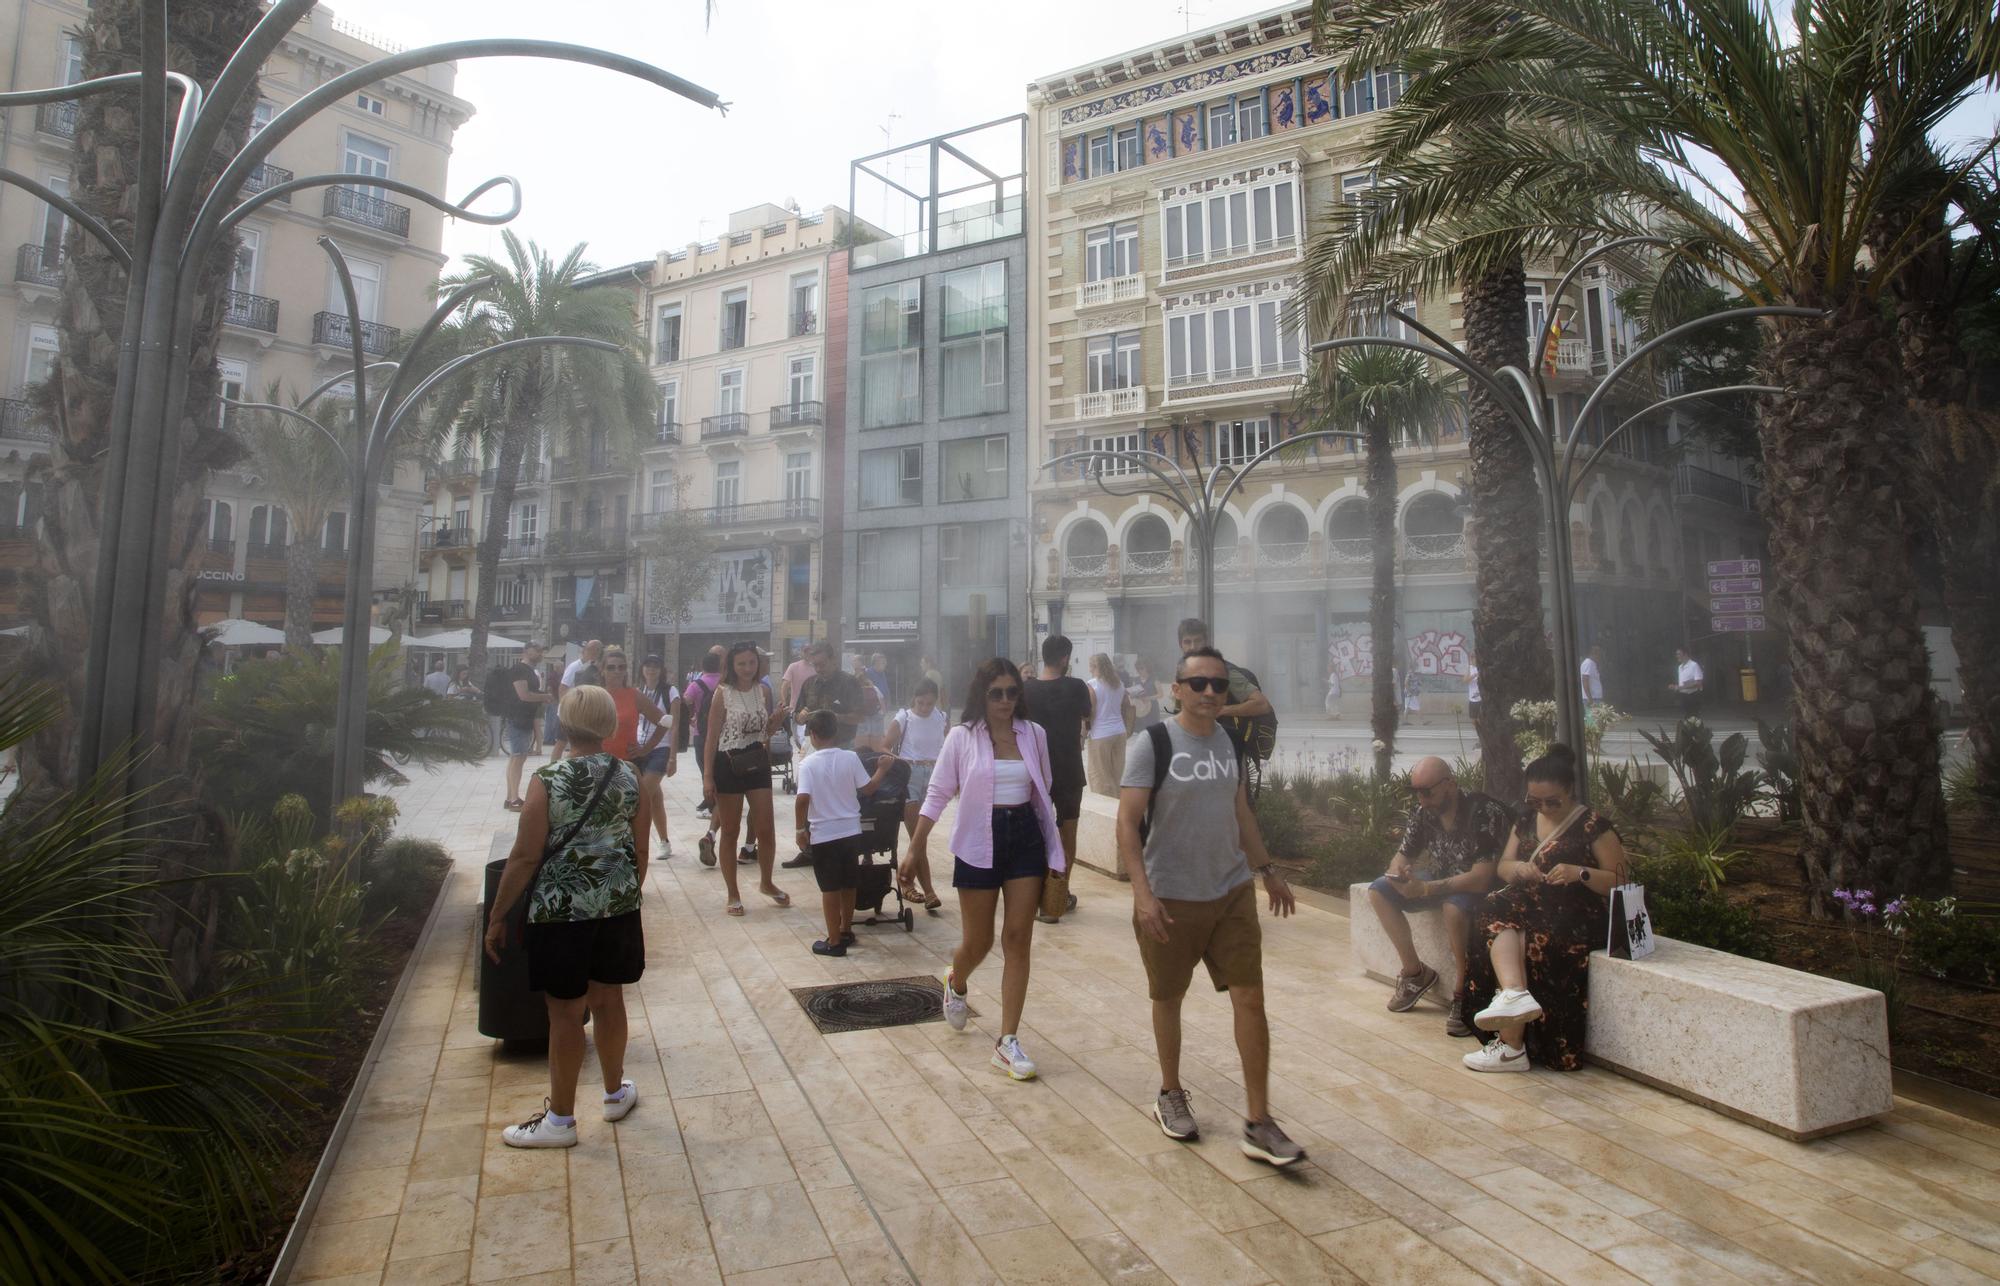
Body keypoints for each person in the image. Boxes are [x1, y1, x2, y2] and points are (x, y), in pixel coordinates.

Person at [1121, 647, 1305, 1167]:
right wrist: (1141, 893)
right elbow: (1128, 823)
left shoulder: (1229, 741)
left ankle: (1259, 1121)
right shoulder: (1151, 743)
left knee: (1250, 999)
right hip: (1171, 895)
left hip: (1230, 892)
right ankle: (1171, 1092)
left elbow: (1240, 810)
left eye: (1218, 686)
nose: (1208, 693)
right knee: (1169, 998)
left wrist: (1267, 871)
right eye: (1197, 684)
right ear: (1175, 689)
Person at [483, 684, 652, 1147]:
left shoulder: (548, 780)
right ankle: (616, 1093)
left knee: (564, 1014)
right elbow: (641, 849)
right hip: (616, 908)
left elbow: (523, 857)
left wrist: (497, 916)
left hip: (560, 913)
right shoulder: (630, 775)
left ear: (565, 722)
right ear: (607, 723)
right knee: (609, 1000)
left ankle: (560, 1121)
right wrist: (619, 894)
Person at [907, 659, 1065, 1081]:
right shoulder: (962, 737)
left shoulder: (1034, 735)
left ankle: (1007, 1040)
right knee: (978, 941)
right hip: (979, 839)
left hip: (1025, 839)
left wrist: (1055, 851)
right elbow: (938, 792)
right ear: (982, 695)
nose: (1005, 700)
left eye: (1012, 692)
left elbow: (1042, 792)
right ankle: (956, 979)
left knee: (1018, 938)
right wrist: (914, 848)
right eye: (996, 693)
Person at [1461, 744, 1629, 1073]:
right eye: (1536, 801)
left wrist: (1579, 873)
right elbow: (1504, 867)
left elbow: (1620, 881)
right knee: (1495, 909)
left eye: (1553, 802)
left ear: (1569, 791)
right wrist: (1519, 869)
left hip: (1577, 913)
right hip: (1531, 904)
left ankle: (1511, 1046)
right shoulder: (1525, 820)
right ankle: (1513, 996)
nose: (1544, 808)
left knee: (1528, 938)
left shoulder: (1593, 826)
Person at [1365, 756, 1512, 1036]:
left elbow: (1482, 877)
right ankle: (1415, 972)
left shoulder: (1482, 812)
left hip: (1484, 887)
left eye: (1427, 791)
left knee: (1453, 907)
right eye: (1416, 792)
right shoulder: (1424, 812)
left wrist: (1426, 889)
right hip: (1444, 878)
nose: (1422, 799)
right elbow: (1403, 854)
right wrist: (1398, 873)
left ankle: (1463, 989)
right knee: (1380, 890)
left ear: (1450, 785)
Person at [795, 710, 897, 956]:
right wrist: (882, 769)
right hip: (851, 832)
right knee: (849, 883)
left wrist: (800, 829)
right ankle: (845, 929)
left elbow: (802, 800)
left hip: (824, 835)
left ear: (813, 735)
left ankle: (833, 941)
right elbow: (869, 788)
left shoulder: (808, 764)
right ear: (836, 733)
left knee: (829, 888)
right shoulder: (850, 758)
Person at [702, 641, 793, 916]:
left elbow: (763, 732)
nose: (747, 668)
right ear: (731, 665)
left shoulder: (762, 690)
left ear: (758, 664)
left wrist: (776, 721)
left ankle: (766, 882)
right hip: (728, 762)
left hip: (757, 759)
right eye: (741, 663)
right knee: (730, 829)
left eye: (751, 663)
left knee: (766, 827)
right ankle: (733, 892)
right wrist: (707, 776)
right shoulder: (722, 694)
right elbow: (711, 737)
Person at [1021, 634, 1092, 923]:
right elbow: (1089, 716)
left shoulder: (1025, 690)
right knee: (1067, 832)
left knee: (1036, 834)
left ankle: (1036, 895)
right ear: (1065, 658)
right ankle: (1058, 894)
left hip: (1034, 772)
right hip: (1069, 769)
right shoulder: (1076, 687)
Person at [890, 678, 949, 910]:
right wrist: (898, 764)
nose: (925, 708)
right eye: (921, 703)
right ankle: (930, 891)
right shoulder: (904, 718)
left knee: (920, 837)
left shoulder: (942, 718)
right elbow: (885, 745)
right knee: (918, 836)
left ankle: (905, 880)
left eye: (929, 704)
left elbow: (948, 747)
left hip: (934, 776)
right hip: (910, 774)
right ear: (914, 699)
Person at [1172, 619, 1273, 748]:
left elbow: (1262, 704)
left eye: (1197, 641)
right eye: (1187, 642)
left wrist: (1222, 710)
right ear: (1180, 644)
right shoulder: (1182, 673)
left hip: (1224, 747)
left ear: (1206, 642)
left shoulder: (1224, 672)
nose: (1192, 647)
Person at [633, 655, 680, 852]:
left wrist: (673, 757)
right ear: (642, 669)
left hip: (661, 748)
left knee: (641, 796)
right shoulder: (637, 691)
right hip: (639, 748)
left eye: (655, 667)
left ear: (661, 670)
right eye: (648, 666)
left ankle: (636, 844)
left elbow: (675, 725)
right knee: (654, 799)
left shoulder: (670, 691)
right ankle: (664, 842)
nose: (651, 670)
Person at [502, 641, 554, 810]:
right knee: (518, 758)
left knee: (516, 758)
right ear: (526, 651)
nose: (540, 653)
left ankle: (510, 797)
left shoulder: (529, 671)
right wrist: (544, 696)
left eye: (541, 651)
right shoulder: (519, 669)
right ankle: (514, 798)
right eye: (536, 650)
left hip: (524, 717)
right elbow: (523, 695)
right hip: (518, 717)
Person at [796, 640, 862, 746]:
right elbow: (797, 717)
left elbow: (860, 716)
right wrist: (801, 717)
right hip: (812, 744)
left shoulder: (849, 682)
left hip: (842, 744)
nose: (818, 669)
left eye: (822, 665)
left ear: (833, 660)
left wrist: (836, 717)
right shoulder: (808, 684)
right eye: (815, 665)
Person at [1085, 652, 1132, 798]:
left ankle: (1106, 807)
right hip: (1119, 731)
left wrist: (1085, 732)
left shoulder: (1092, 684)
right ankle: (1118, 803)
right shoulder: (1119, 684)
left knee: (1101, 775)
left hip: (1100, 734)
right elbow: (1126, 706)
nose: (1089, 670)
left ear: (1094, 667)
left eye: (1091, 666)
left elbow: (1089, 712)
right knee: (1117, 773)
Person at [548, 639, 604, 762]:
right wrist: (565, 709)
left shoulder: (594, 667)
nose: (595, 653)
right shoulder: (575, 667)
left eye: (598, 650)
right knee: (561, 742)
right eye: (592, 650)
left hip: (583, 712)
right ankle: (552, 768)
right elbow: (563, 688)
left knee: (580, 744)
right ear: (585, 651)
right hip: (569, 711)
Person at [853, 654, 888, 747]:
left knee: (862, 747)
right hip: (876, 714)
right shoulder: (874, 687)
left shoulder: (854, 688)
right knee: (876, 745)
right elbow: (882, 701)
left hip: (861, 716)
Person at [1128, 656, 1165, 730]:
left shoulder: (1154, 679)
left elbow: (1161, 694)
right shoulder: (1136, 680)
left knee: (1152, 730)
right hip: (1140, 709)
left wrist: (1148, 698)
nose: (1139, 671)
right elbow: (1133, 693)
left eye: (1141, 668)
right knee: (1140, 731)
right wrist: (1132, 695)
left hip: (1152, 710)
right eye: (1138, 669)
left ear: (1147, 668)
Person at [1672, 646, 1704, 720]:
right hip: (1684, 696)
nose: (1677, 656)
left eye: (1679, 654)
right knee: (1687, 718)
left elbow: (1698, 683)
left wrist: (1682, 687)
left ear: (1685, 654)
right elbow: (1683, 684)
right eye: (1676, 654)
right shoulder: (1679, 667)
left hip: (1693, 696)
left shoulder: (1694, 665)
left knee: (1693, 718)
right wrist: (1676, 687)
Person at [921, 653, 946, 718]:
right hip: (938, 707)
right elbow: (942, 691)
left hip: (930, 708)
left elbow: (926, 693)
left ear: (929, 664)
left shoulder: (928, 675)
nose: (921, 665)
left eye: (923, 663)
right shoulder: (938, 674)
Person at [1466, 652, 1482, 725]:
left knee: (1481, 719)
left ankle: (1482, 734)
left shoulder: (1481, 668)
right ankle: (1477, 731)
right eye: (1473, 658)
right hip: (1473, 699)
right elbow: (1465, 680)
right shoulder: (1469, 668)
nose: (1475, 659)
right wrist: (1475, 675)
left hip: (1482, 698)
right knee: (1473, 720)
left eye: (1475, 657)